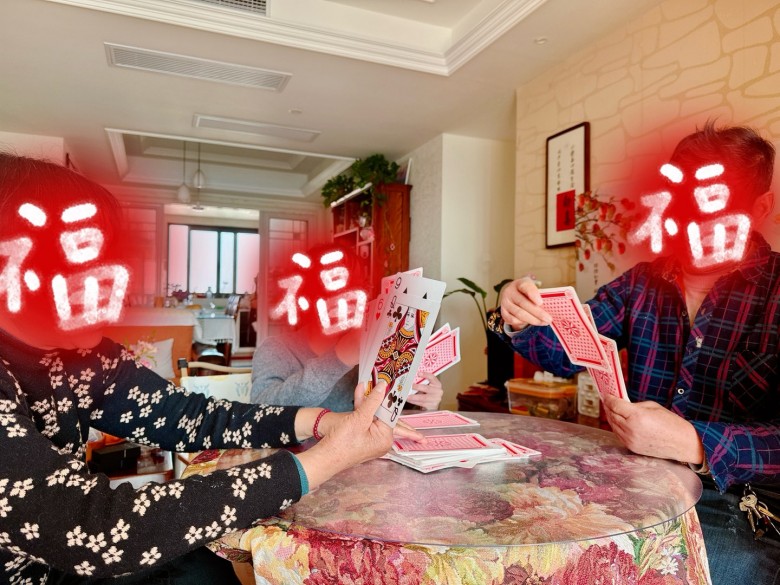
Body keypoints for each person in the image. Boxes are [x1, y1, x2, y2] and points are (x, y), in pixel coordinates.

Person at [0, 152, 423, 584]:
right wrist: (324, 461)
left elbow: (190, 416)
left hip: (64, 568)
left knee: (212, 569)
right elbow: (93, 528)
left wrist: (322, 422)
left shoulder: (86, 358)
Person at [492, 122, 780, 585]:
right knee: (522, 542)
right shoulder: (641, 283)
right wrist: (519, 316)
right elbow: (565, 350)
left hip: (737, 502)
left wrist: (696, 442)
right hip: (633, 479)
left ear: (760, 207)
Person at [251, 320, 445, 412]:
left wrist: (427, 405)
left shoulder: (376, 347)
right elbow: (259, 415)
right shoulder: (276, 348)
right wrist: (338, 359)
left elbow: (393, 416)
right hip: (302, 468)